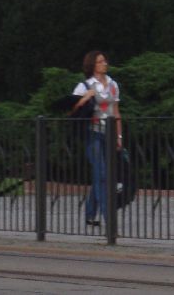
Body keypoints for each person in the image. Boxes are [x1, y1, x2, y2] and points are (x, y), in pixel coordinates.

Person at [72, 51, 122, 228]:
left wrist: (119, 135)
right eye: (100, 61)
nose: (104, 63)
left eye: (105, 60)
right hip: (92, 133)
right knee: (101, 174)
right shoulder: (84, 85)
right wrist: (84, 98)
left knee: (101, 174)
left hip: (108, 132)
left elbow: (116, 112)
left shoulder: (113, 84)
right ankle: (109, 218)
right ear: (92, 65)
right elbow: (72, 111)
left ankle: (90, 214)